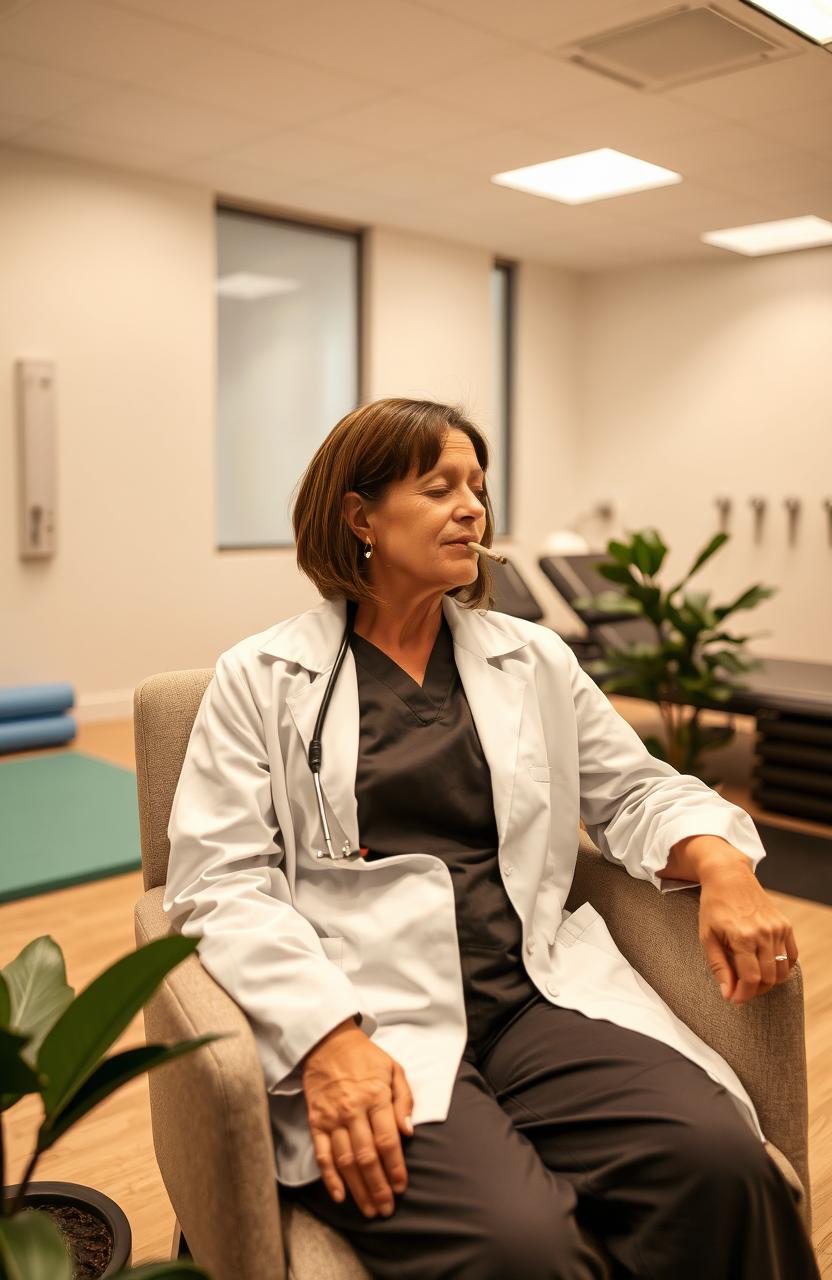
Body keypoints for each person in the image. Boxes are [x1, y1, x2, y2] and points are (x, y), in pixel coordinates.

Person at [164, 397, 819, 1279]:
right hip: (372, 1015)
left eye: (477, 486)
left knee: (724, 1166)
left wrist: (724, 864)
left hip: (530, 1000)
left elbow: (634, 792)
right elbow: (220, 882)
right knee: (522, 1247)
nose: (472, 507)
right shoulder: (261, 679)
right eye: (439, 488)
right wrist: (326, 1037)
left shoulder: (533, 657)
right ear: (359, 514)